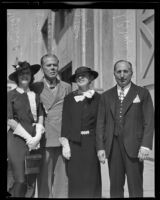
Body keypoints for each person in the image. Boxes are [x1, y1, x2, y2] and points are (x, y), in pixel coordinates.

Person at [96, 60, 154, 198]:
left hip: (134, 146)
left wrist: (145, 146)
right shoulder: (106, 96)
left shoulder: (142, 93)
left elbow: (149, 121)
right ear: (114, 74)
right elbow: (100, 123)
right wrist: (100, 147)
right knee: (115, 187)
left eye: (125, 71)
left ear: (131, 73)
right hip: (113, 146)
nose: (122, 75)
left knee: (135, 186)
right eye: (119, 72)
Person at [30, 54, 71, 198]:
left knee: (62, 179)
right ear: (42, 68)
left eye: (55, 65)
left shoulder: (66, 87)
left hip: (62, 138)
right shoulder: (35, 87)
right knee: (44, 181)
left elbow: (71, 113)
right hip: (44, 139)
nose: (52, 68)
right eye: (48, 65)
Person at [60, 66, 102, 198]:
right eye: (78, 76)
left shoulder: (99, 98)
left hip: (91, 144)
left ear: (90, 78)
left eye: (84, 75)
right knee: (75, 179)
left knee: (91, 179)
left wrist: (101, 147)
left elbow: (101, 123)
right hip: (74, 144)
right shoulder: (69, 98)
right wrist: (65, 144)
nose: (80, 77)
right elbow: (65, 122)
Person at [7, 61, 45, 197]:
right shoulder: (10, 95)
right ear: (17, 77)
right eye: (21, 73)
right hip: (17, 140)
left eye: (27, 73)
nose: (24, 76)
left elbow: (40, 114)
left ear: (32, 76)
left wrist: (37, 136)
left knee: (31, 180)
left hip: (35, 141)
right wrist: (28, 138)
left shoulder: (35, 95)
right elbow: (10, 120)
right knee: (20, 180)